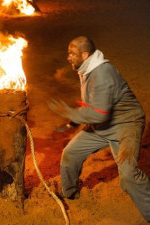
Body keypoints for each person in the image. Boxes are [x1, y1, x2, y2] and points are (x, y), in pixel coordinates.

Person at [49, 36, 150, 222]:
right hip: (102, 125)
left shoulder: (102, 73)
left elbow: (100, 114)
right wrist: (73, 122)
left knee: (128, 176)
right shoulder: (86, 68)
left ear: (85, 54)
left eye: (72, 54)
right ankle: (70, 194)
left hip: (126, 125)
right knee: (70, 154)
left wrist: (69, 112)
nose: (68, 57)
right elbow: (93, 104)